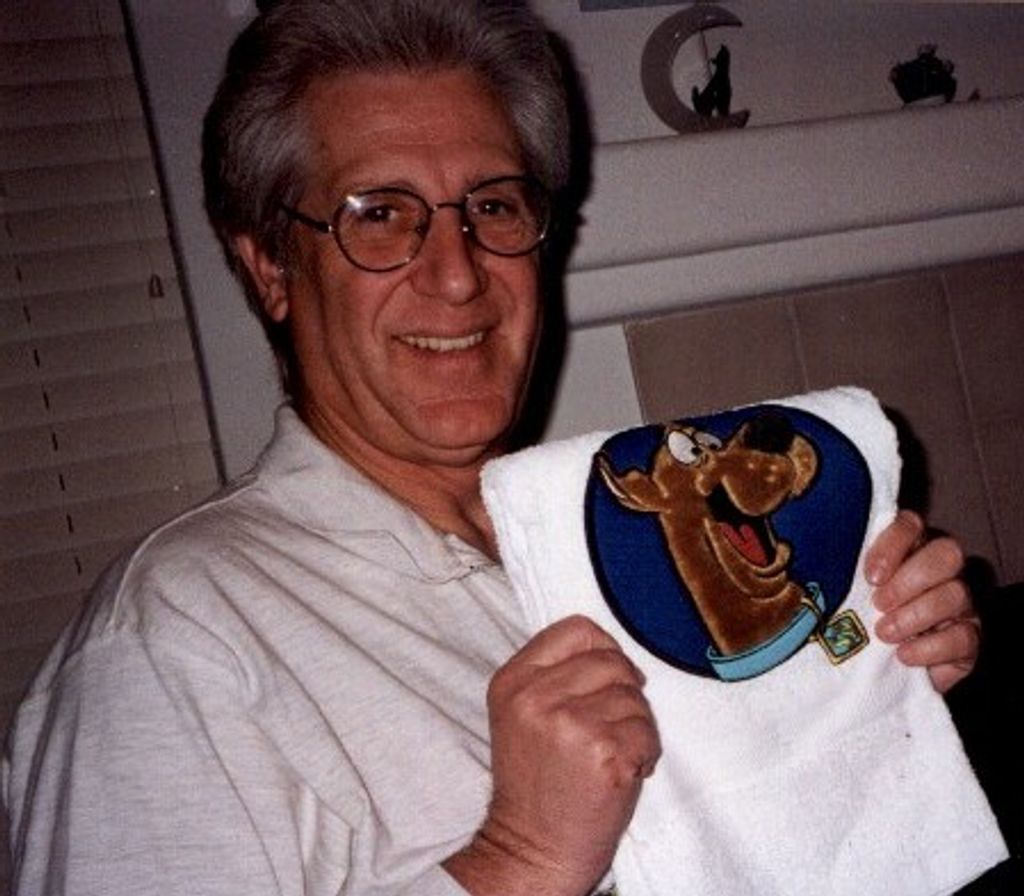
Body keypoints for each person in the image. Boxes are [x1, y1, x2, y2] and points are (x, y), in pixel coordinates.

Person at [2, 2, 980, 894]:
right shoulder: (172, 647)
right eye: (378, 215)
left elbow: (769, 820)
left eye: (494, 206)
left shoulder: (604, 536)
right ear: (269, 268)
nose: (458, 274)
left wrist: (872, 663)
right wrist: (519, 857)